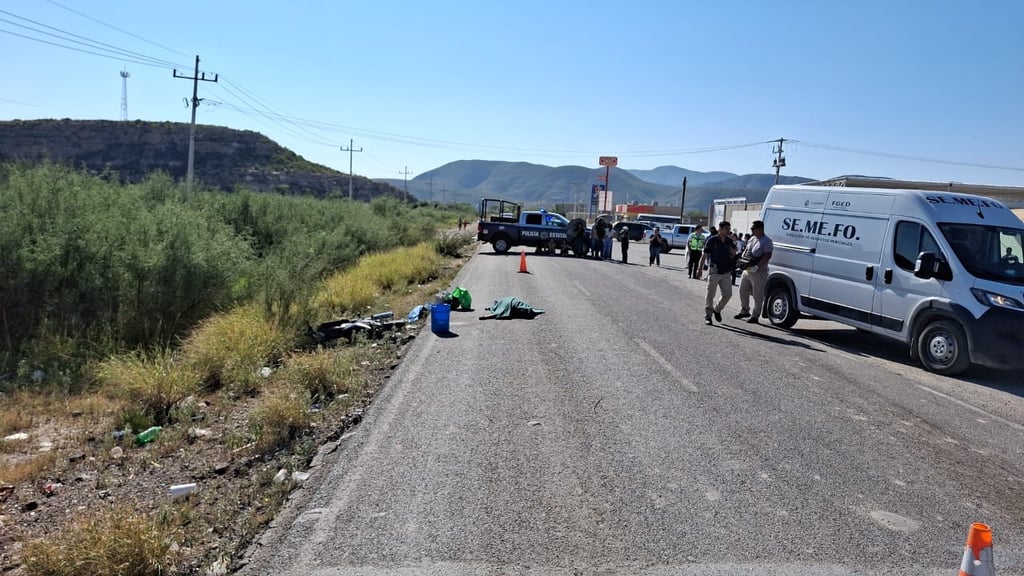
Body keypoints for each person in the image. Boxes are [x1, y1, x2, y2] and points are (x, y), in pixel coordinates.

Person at [698, 221, 737, 325]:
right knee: (710, 294)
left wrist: (733, 249)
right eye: (726, 229)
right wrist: (700, 269)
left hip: (726, 270)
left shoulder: (729, 241)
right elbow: (704, 255)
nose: (728, 231)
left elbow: (734, 253)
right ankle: (708, 316)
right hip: (714, 270)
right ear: (720, 229)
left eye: (729, 229)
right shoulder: (712, 240)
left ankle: (717, 309)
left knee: (728, 294)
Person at [734, 220, 774, 324]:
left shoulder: (766, 241)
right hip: (747, 270)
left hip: (758, 271)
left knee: (757, 294)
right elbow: (747, 252)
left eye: (753, 228)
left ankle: (755, 315)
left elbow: (767, 255)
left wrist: (757, 266)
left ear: (760, 229)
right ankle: (744, 310)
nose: (752, 230)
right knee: (742, 290)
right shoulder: (752, 239)